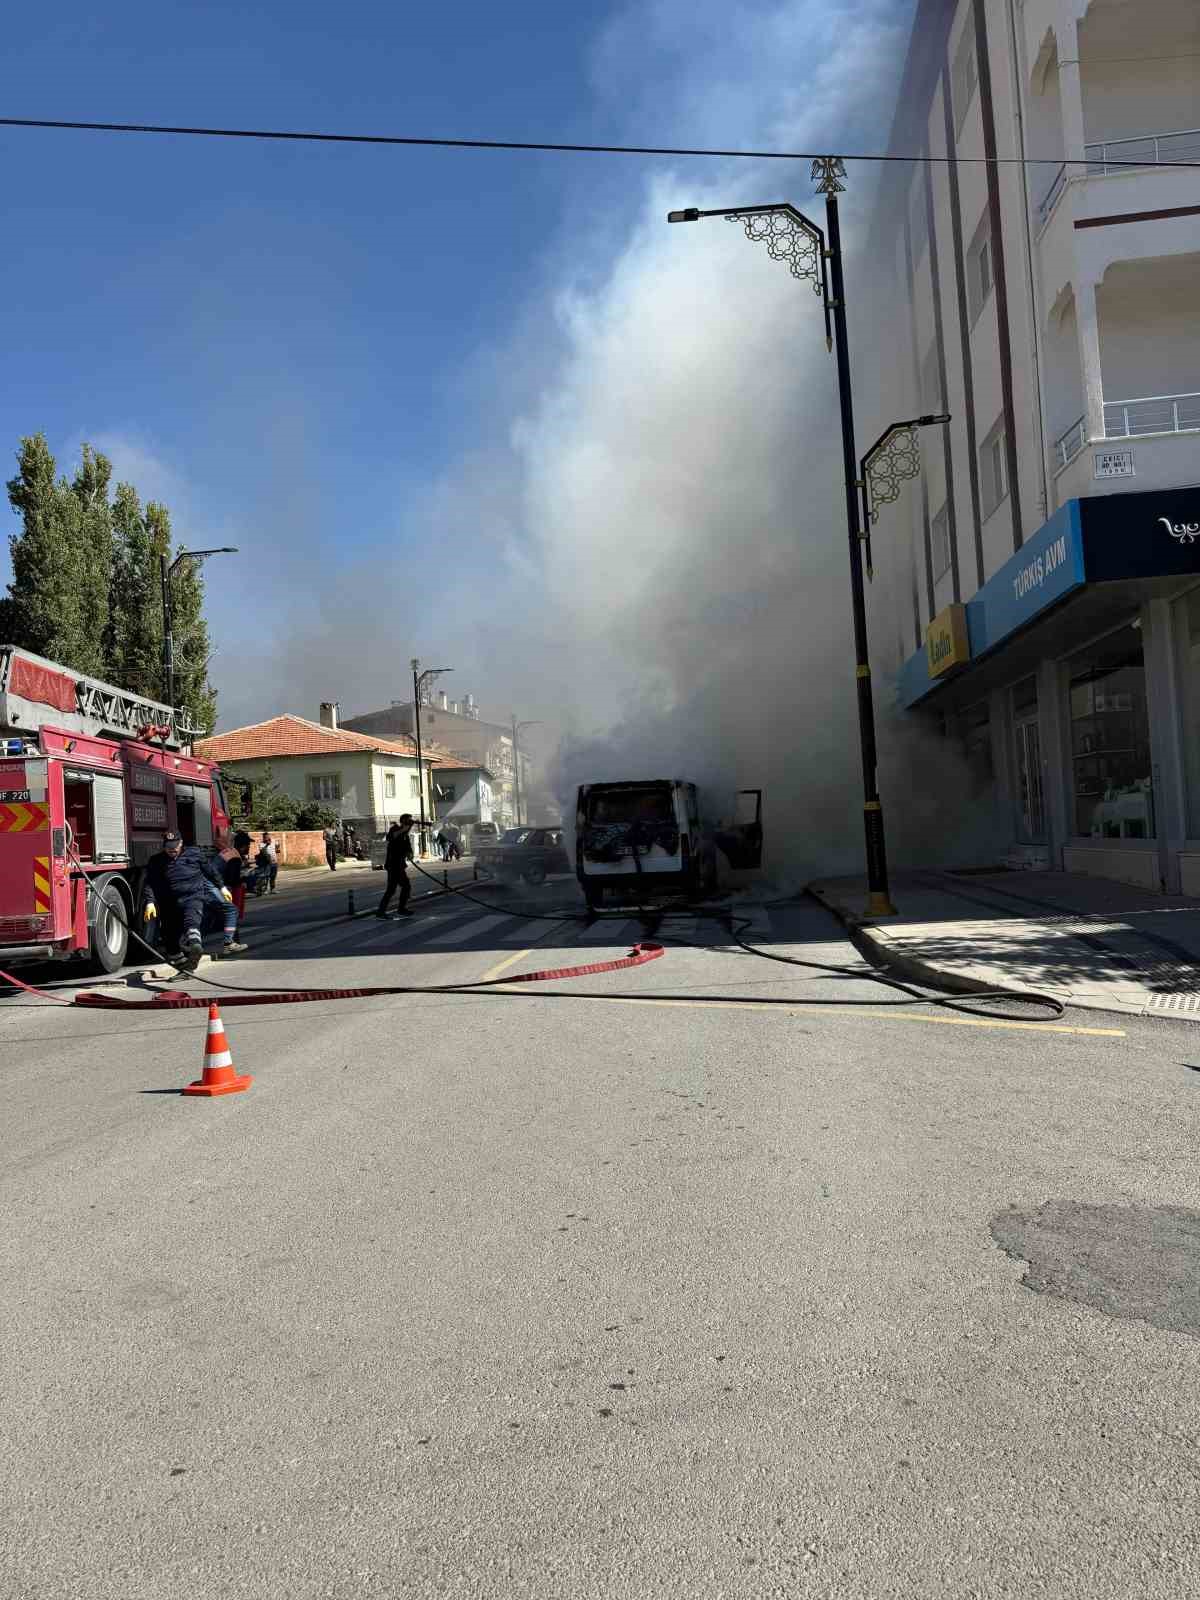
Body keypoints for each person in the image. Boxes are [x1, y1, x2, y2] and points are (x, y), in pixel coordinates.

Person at [144, 830, 246, 966]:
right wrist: (150, 902)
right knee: (169, 935)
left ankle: (195, 945)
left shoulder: (194, 854)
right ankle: (182, 962)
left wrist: (221, 887)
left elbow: (210, 871)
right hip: (170, 901)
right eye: (168, 847)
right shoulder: (157, 861)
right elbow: (151, 882)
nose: (172, 850)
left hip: (193, 896)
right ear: (164, 846)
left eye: (175, 846)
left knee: (192, 920)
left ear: (181, 843)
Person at [376, 816, 414, 918]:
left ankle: (396, 909)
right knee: (397, 888)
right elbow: (390, 838)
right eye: (409, 822)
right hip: (393, 865)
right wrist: (402, 830)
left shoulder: (406, 835)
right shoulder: (395, 828)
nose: (410, 825)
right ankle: (386, 911)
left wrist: (410, 853)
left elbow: (408, 847)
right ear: (403, 822)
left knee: (398, 888)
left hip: (400, 865)